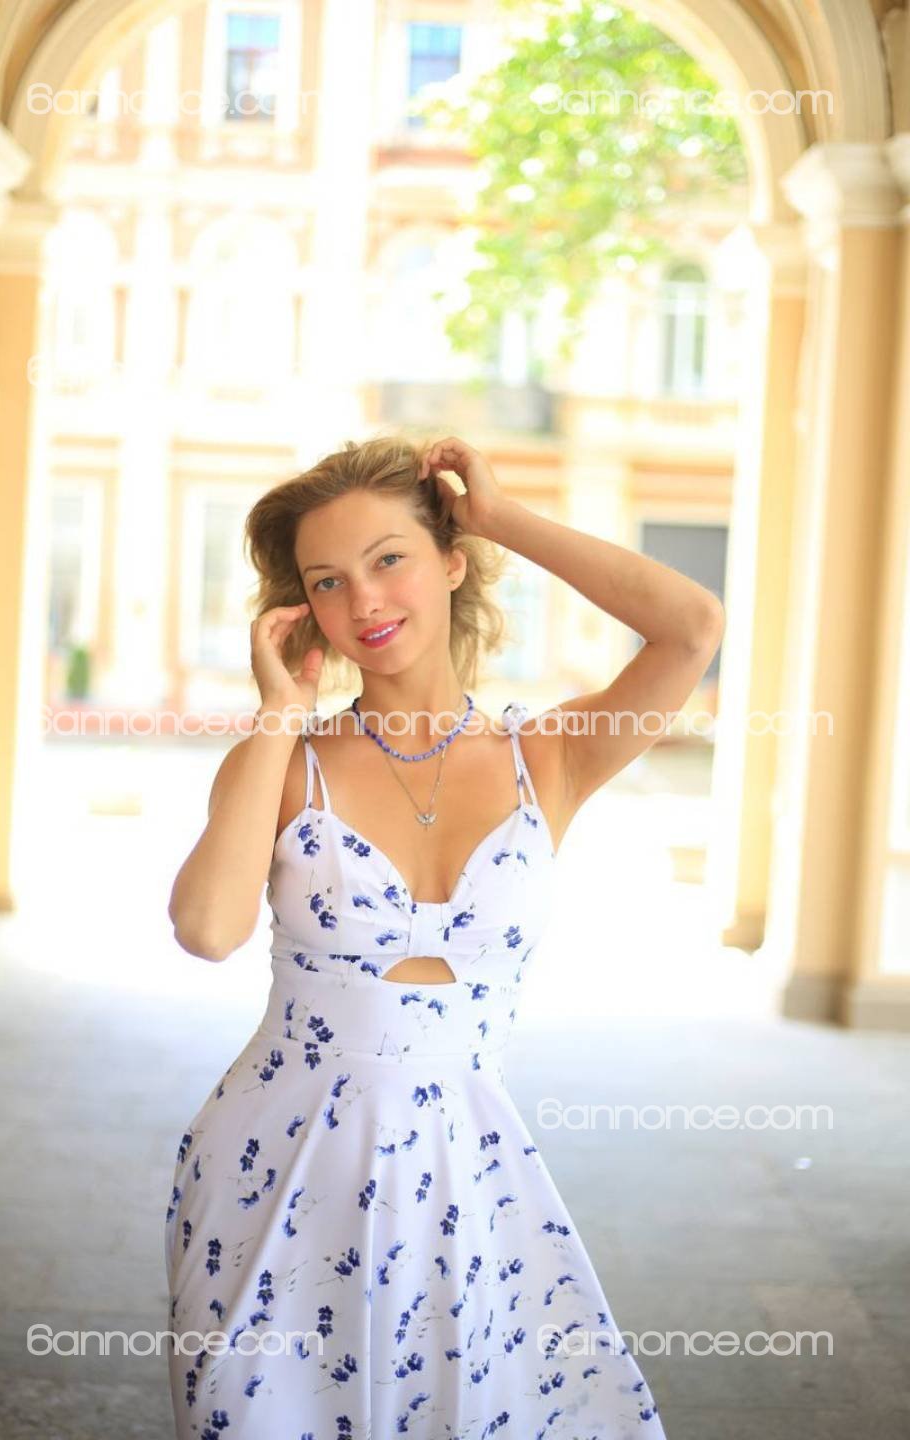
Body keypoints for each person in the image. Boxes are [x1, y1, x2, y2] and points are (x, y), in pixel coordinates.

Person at [164, 433, 724, 1439]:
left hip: (471, 1175)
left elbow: (691, 628)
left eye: (390, 559)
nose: (364, 601)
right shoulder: (289, 761)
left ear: (453, 562)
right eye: (328, 581)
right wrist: (280, 712)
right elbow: (207, 929)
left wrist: (501, 516)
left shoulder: (547, 757)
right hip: (278, 1173)